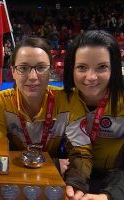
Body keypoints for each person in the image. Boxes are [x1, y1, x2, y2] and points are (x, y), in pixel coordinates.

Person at [0, 37, 91, 192]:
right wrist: (54, 163)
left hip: (54, 182)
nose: (33, 77)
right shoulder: (1, 101)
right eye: (23, 68)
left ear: (50, 71)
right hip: (16, 181)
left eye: (41, 67)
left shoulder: (68, 100)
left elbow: (81, 152)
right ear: (12, 72)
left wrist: (76, 184)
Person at [63, 30, 124, 200]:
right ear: (71, 69)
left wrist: (110, 196)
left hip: (117, 179)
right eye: (82, 67)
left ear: (114, 68)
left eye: (102, 67)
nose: (91, 77)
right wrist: (74, 182)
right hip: (73, 175)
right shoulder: (61, 101)